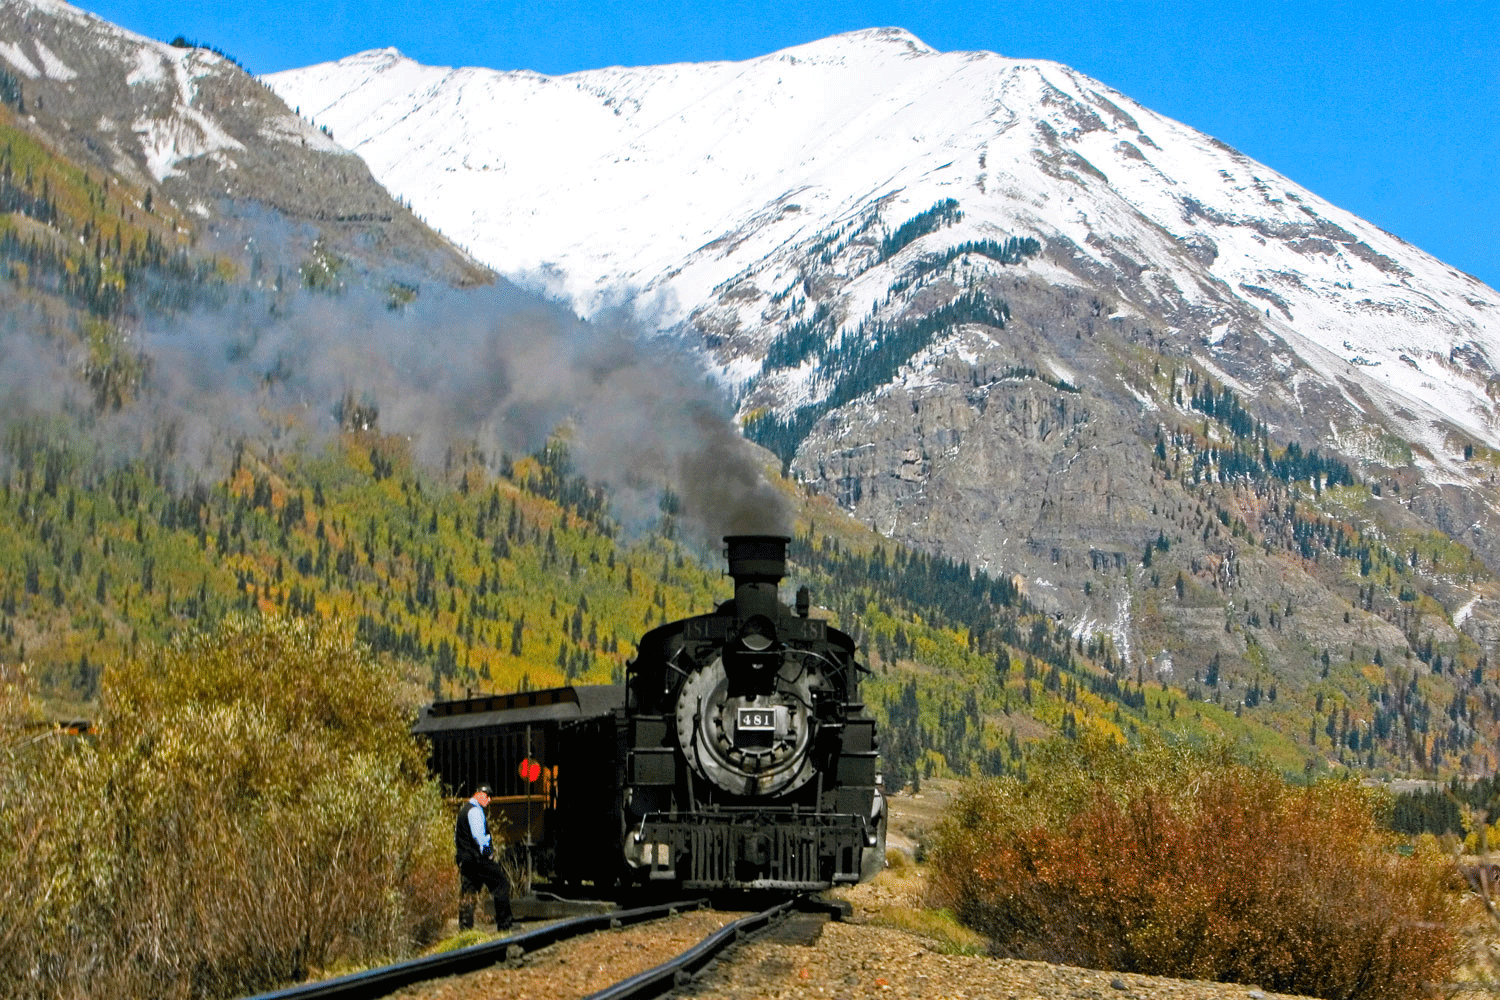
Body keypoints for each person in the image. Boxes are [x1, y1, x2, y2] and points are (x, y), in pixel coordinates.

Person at [455, 782, 513, 931]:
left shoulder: (464, 810)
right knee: (501, 884)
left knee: (469, 894)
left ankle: (465, 930)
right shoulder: (474, 811)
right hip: (479, 859)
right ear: (479, 794)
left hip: (466, 860)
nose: (489, 800)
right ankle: (504, 925)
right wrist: (488, 853)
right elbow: (480, 837)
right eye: (488, 796)